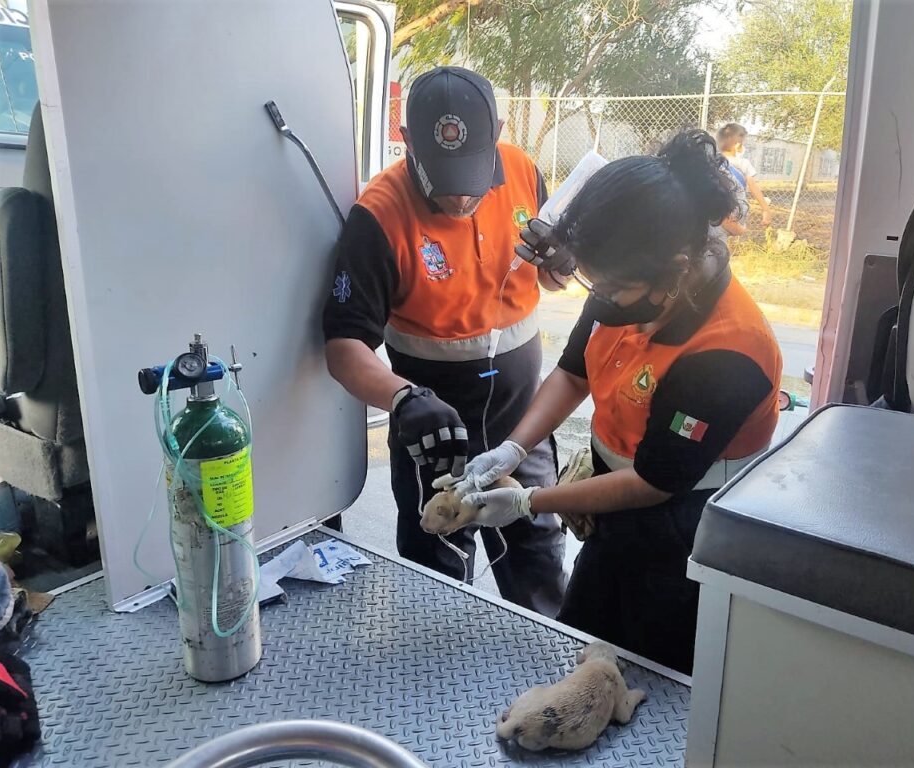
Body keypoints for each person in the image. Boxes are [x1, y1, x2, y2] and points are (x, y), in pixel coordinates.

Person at [431, 129, 783, 673]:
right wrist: (511, 450)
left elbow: (653, 482)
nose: (601, 299)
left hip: (685, 532)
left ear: (678, 267)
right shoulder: (630, 282)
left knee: (649, 676)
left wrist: (528, 502)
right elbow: (572, 375)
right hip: (614, 511)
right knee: (582, 646)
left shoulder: (728, 353)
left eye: (612, 289)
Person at [322, 67, 566, 617]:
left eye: (472, 179)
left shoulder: (524, 171)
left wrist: (563, 264)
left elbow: (552, 277)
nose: (459, 197)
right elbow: (343, 345)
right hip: (432, 431)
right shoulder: (379, 214)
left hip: (521, 423)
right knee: (436, 573)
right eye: (443, 178)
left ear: (497, 133)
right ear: (407, 141)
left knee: (540, 559)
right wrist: (402, 398)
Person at [716, 123, 772, 234]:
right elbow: (753, 186)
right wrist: (766, 209)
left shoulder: (714, 160)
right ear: (737, 145)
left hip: (715, 209)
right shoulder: (743, 163)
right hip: (734, 211)